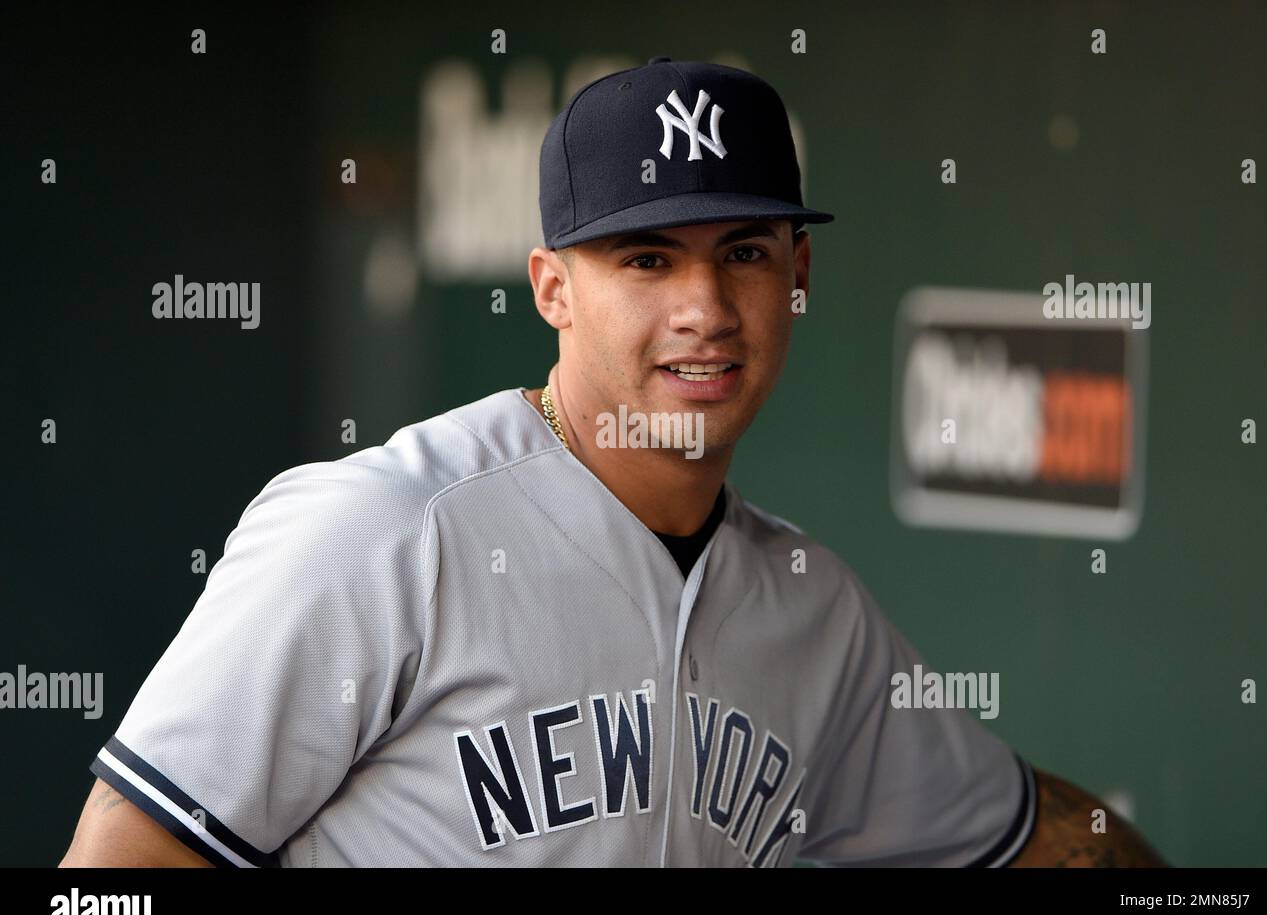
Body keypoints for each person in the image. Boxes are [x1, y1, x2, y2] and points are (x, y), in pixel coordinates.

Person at [60, 57, 1163, 868]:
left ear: (798, 273)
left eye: (743, 253)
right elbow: (113, 881)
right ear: (551, 288)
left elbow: (1030, 841)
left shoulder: (811, 611)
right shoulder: (386, 529)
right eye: (647, 257)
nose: (705, 309)